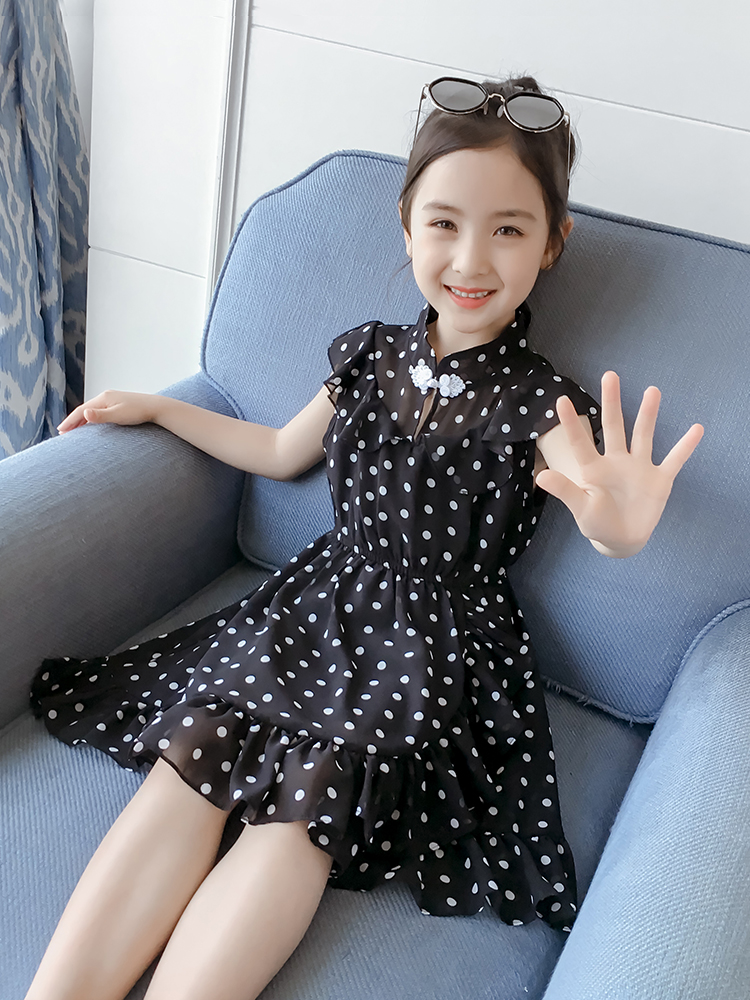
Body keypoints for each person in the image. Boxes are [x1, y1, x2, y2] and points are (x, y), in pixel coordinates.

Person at [25, 74, 703, 1000]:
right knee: (192, 759)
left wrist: (618, 525)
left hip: (433, 643)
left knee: (309, 801)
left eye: (509, 229)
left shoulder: (541, 399)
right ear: (407, 224)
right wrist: (160, 407)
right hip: (318, 603)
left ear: (553, 242)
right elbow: (279, 450)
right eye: (444, 222)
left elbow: (595, 500)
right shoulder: (369, 354)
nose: (471, 258)